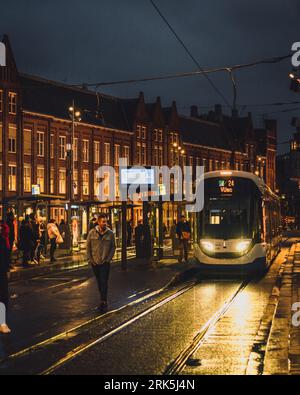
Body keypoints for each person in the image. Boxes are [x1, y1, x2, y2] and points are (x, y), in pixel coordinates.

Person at [86, 213, 116, 313]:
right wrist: (91, 260)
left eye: (106, 222)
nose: (105, 224)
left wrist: (108, 259)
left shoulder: (110, 233)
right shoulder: (91, 233)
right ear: (98, 222)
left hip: (105, 262)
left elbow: (113, 247)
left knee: (104, 281)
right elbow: (88, 247)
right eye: (103, 222)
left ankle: (103, 301)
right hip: (95, 262)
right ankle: (103, 298)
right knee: (99, 281)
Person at [0, 221, 11, 334]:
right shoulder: (2, 240)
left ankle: (2, 322)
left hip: (1, 271)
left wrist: (6, 269)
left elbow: (5, 255)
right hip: (2, 270)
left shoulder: (2, 240)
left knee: (2, 297)